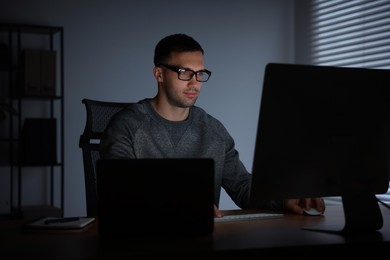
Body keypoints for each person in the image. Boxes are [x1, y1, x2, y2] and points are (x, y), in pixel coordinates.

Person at [99, 33, 326, 217]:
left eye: (199, 74)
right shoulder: (127, 125)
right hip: (142, 243)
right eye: (184, 72)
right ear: (159, 74)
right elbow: (120, 194)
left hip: (204, 243)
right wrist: (175, 207)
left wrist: (284, 197)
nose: (194, 83)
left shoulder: (212, 129)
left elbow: (243, 188)